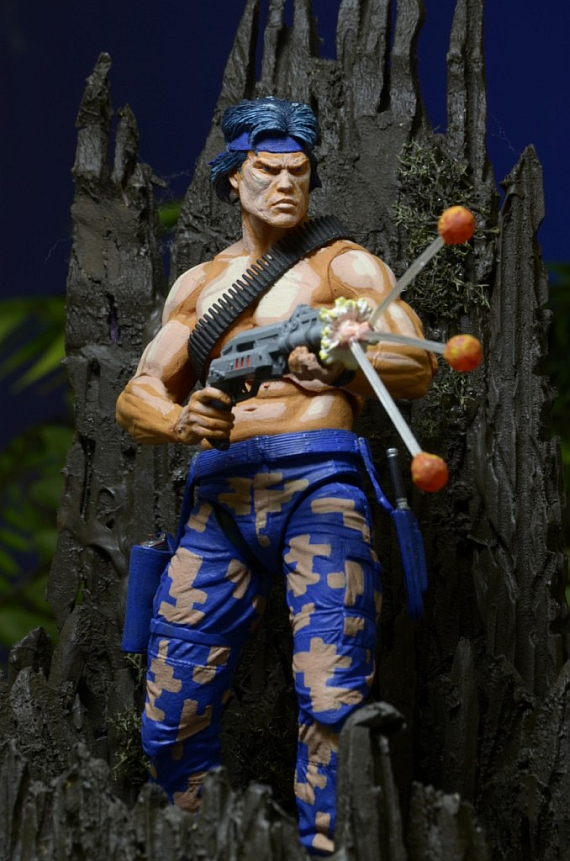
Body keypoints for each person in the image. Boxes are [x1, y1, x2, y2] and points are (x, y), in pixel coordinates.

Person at [116, 97, 436, 857]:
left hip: (318, 489)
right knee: (170, 711)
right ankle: (199, 840)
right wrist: (180, 422)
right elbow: (137, 394)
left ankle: (328, 846)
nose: (286, 184)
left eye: (299, 170)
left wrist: (340, 362)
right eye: (267, 170)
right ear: (235, 177)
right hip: (220, 500)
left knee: (334, 699)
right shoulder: (201, 284)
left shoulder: (342, 265)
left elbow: (414, 360)